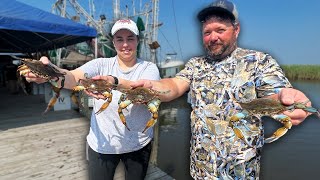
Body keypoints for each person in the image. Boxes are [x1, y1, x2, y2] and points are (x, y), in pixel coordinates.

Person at [128, 0, 313, 179]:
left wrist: (286, 99)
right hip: (200, 170)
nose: (213, 37)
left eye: (220, 30)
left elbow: (275, 92)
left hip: (241, 173)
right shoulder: (196, 65)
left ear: (236, 30)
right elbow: (175, 85)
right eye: (207, 32)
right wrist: (153, 87)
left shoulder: (258, 62)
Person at [24, 19, 160, 180]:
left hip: (139, 144)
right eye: (119, 39)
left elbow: (148, 92)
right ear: (114, 42)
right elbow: (73, 77)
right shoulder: (100, 64)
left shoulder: (148, 68)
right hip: (102, 144)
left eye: (130, 38)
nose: (125, 44)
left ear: (138, 40)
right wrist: (51, 73)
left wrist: (114, 82)